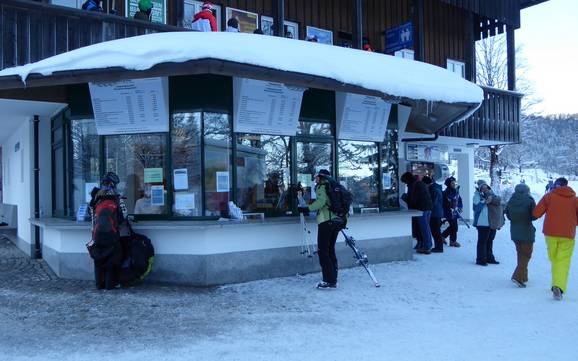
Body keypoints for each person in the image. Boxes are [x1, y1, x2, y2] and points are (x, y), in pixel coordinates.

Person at [533, 177, 578, 300]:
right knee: (562, 260)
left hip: (550, 233)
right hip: (568, 234)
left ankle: (556, 284)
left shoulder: (549, 197)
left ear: (556, 185)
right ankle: (558, 285)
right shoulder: (575, 199)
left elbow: (536, 213)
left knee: (554, 258)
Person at [298, 169, 341, 289]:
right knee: (330, 250)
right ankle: (333, 277)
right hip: (336, 222)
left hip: (326, 222)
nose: (315, 179)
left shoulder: (322, 186)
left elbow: (321, 202)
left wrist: (307, 209)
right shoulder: (334, 187)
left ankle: (328, 280)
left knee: (323, 251)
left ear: (321, 178)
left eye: (316, 177)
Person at [89, 172, 128, 290]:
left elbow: (90, 213)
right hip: (112, 233)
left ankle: (99, 284)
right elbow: (123, 216)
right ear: (113, 184)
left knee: (98, 258)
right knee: (113, 258)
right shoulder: (115, 197)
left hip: (96, 234)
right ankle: (110, 284)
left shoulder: (95, 197)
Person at [505, 183, 536, 288]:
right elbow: (534, 216)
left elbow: (508, 215)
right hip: (527, 231)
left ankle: (524, 276)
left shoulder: (511, 200)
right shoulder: (530, 201)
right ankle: (518, 277)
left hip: (514, 231)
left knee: (520, 254)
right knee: (526, 255)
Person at [401, 172, 433, 254]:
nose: (405, 183)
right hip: (428, 207)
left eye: (405, 182)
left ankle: (427, 247)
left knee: (424, 228)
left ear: (407, 180)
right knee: (426, 227)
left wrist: (405, 199)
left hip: (421, 209)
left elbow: (413, 199)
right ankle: (427, 245)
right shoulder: (420, 183)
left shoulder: (414, 185)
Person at [473, 180, 502, 266]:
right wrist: (485, 202)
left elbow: (498, 202)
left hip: (491, 222)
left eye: (486, 187)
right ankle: (481, 259)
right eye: (482, 187)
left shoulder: (491, 194)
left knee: (490, 241)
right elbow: (476, 208)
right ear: (479, 189)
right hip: (482, 223)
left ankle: (489, 258)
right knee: (482, 241)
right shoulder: (476, 196)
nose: (485, 189)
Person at [422, 176, 444, 252]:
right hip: (437, 212)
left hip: (435, 213)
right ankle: (439, 247)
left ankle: (439, 247)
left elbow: (433, 202)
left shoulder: (433, 190)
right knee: (436, 230)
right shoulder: (437, 188)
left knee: (435, 231)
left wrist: (427, 206)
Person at [442, 177, 463, 247]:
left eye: (454, 182)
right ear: (448, 184)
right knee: (454, 227)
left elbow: (459, 200)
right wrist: (455, 191)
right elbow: (449, 200)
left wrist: (460, 207)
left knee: (453, 226)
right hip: (449, 212)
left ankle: (450, 240)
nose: (454, 184)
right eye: (452, 183)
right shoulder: (447, 192)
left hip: (455, 212)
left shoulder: (455, 191)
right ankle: (451, 240)